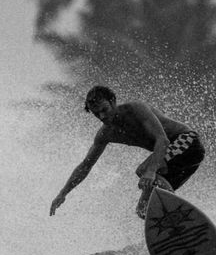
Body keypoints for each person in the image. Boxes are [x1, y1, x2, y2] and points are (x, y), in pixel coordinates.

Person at [49, 85, 205, 219]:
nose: (102, 116)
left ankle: (175, 214)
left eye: (104, 110)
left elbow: (162, 140)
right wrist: (63, 193)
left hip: (187, 142)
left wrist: (150, 171)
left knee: (143, 171)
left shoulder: (135, 109)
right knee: (144, 210)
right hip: (174, 161)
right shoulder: (105, 134)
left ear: (113, 102)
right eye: (97, 114)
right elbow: (85, 166)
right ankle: (177, 231)